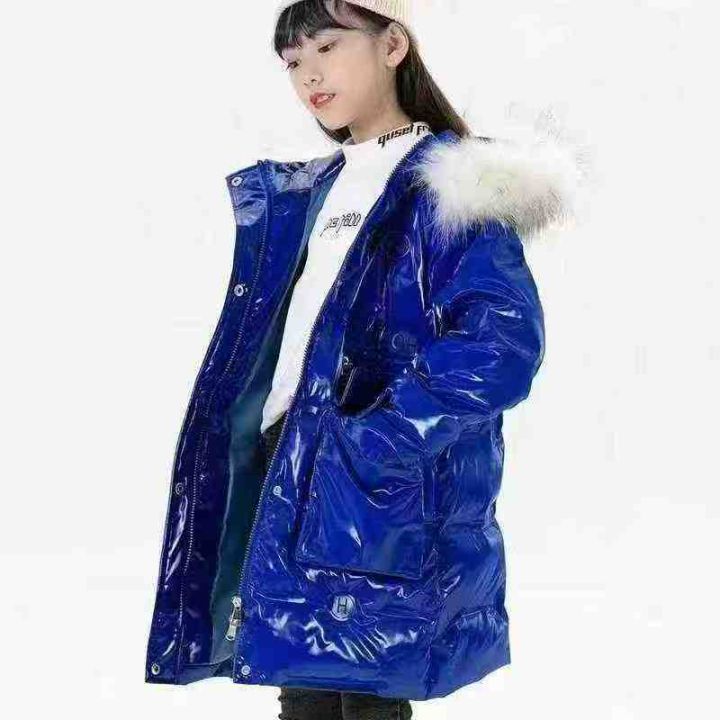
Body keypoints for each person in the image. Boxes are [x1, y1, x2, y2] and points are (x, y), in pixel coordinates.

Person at [145, 0, 578, 717]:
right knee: (305, 691)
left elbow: (501, 342)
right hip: (291, 462)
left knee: (368, 699)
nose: (308, 75)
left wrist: (382, 438)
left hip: (377, 471)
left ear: (393, 44)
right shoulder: (310, 190)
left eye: (327, 47)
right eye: (292, 62)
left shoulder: (452, 183)